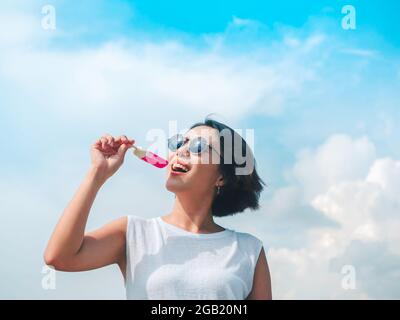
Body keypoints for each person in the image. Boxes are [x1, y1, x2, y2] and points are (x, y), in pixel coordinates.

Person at [44, 117, 272, 299]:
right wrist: (97, 174)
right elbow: (59, 257)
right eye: (178, 143)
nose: (182, 150)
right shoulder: (134, 233)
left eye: (199, 146)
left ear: (221, 177)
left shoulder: (248, 249)